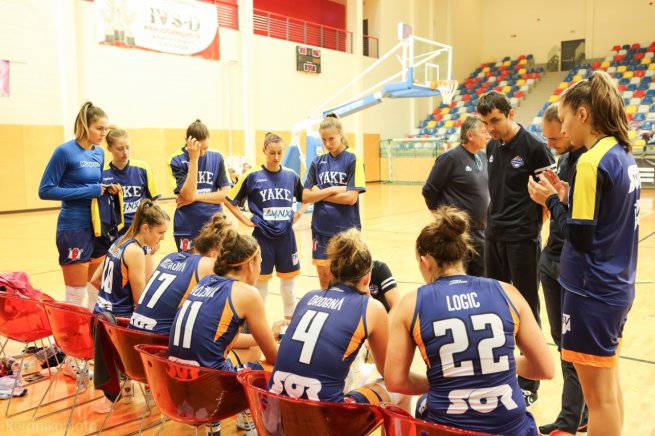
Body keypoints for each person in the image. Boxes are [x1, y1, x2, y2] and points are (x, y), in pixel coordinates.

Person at [527, 71, 640, 436]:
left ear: (583, 114)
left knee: (598, 400)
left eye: (564, 117)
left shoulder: (591, 162)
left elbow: (580, 236)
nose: (562, 126)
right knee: (609, 390)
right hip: (616, 286)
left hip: (591, 290)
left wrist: (549, 202)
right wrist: (566, 197)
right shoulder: (621, 154)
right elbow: (601, 220)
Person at [384, 206, 554, 436]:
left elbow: (395, 381)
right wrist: (497, 365)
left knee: (424, 405)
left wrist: (442, 381)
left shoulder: (411, 303)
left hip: (446, 430)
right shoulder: (507, 292)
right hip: (510, 430)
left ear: (426, 261)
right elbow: (545, 369)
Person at [477, 91, 555, 404]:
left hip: (523, 239)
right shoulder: (492, 146)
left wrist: (531, 226)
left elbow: (550, 195)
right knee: (494, 305)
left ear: (510, 114)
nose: (490, 128)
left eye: (494, 120)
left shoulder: (535, 148)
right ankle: (499, 369)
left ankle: (529, 381)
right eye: (485, 123)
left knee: (526, 308)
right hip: (492, 236)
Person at [168, 228, 285, 435]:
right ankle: (254, 427)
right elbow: (274, 357)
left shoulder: (204, 281)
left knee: (249, 350)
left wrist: (264, 336)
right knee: (269, 368)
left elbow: (216, 337)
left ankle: (215, 425)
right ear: (250, 264)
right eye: (260, 261)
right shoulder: (247, 293)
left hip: (174, 388)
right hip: (211, 391)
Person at [269, 229, 395, 406]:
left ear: (330, 274)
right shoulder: (371, 307)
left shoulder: (308, 297)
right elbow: (390, 374)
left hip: (275, 416)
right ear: (367, 279)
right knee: (396, 388)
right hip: (327, 421)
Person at [535, 104, 588, 436]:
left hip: (572, 265)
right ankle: (578, 414)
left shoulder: (589, 164)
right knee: (561, 341)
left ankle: (572, 419)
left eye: (555, 137)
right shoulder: (566, 160)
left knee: (572, 346)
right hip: (551, 259)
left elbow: (579, 228)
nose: (551, 144)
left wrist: (555, 201)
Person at [38, 101, 119, 307]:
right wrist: (88, 190)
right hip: (74, 226)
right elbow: (45, 190)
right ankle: (69, 339)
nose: (103, 133)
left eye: (105, 129)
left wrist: (106, 188)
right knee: (75, 293)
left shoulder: (99, 153)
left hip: (97, 226)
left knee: (96, 288)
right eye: (99, 128)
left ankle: (92, 337)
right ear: (85, 126)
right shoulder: (64, 152)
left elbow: (94, 184)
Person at [225, 132, 307, 319]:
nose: (276, 157)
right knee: (260, 288)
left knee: (289, 289)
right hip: (262, 238)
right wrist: (244, 219)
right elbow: (229, 200)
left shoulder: (291, 175)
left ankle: (289, 325)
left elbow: (305, 197)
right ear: (264, 150)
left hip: (286, 238)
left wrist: (300, 211)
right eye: (272, 153)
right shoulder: (252, 175)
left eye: (279, 152)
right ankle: (256, 325)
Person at [87, 126, 161, 310]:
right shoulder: (101, 173)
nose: (125, 152)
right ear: (109, 148)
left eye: (128, 147)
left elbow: (155, 205)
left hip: (142, 238)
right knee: (115, 284)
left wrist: (156, 236)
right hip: (117, 240)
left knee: (148, 284)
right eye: (120, 148)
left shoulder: (142, 168)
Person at [129, 213, 231, 335]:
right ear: (214, 254)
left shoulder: (171, 257)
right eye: (226, 255)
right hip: (155, 342)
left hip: (130, 332)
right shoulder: (207, 266)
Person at [302, 114, 366, 289]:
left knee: (348, 279)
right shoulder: (318, 162)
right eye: (324, 140)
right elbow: (306, 196)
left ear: (340, 134)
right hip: (321, 229)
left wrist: (321, 192)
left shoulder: (353, 158)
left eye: (331, 139)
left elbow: (351, 198)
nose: (328, 143)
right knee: (324, 279)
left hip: (346, 231)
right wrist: (333, 189)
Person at [422, 115, 490, 276]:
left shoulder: (483, 157)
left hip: (482, 231)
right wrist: (440, 215)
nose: (487, 135)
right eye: (483, 131)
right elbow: (429, 189)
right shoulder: (450, 157)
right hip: (458, 234)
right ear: (470, 135)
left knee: (481, 278)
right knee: (460, 277)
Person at [92, 200, 169, 318]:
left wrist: (113, 300)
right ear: (145, 228)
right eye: (160, 233)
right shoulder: (135, 252)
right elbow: (139, 301)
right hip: (119, 320)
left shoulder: (120, 240)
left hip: (100, 315)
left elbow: (95, 279)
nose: (163, 238)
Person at [168, 119, 231, 253]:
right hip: (187, 223)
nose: (202, 152)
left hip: (214, 224)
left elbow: (226, 194)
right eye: (198, 148)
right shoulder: (175, 159)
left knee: (215, 266)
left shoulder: (217, 157)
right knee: (188, 266)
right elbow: (187, 195)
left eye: (205, 148)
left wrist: (196, 197)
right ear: (187, 141)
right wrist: (194, 159)